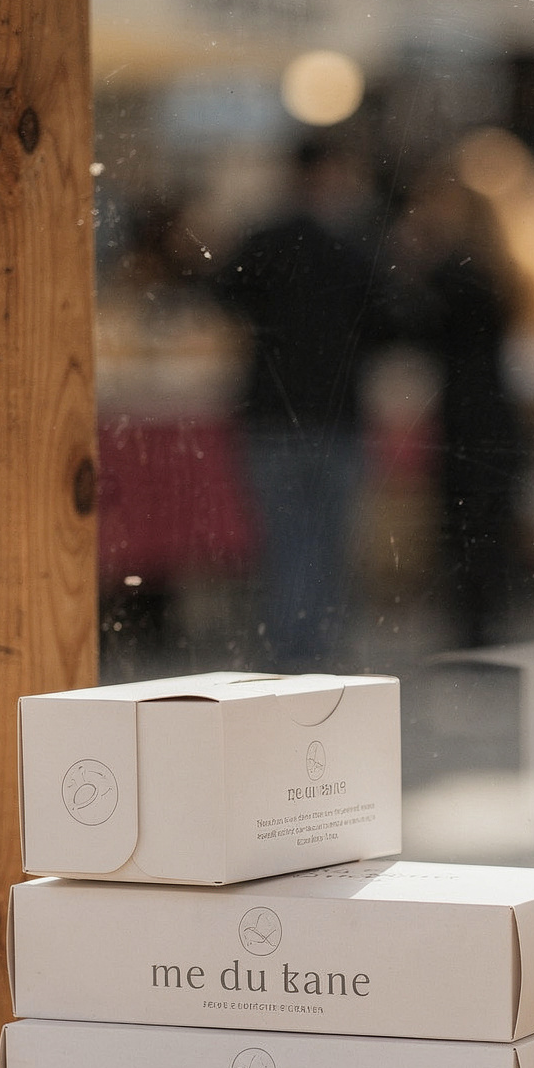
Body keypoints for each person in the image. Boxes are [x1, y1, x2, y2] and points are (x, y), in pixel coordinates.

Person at [214, 139, 393, 670]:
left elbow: (221, 295)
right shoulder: (355, 247)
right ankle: (316, 657)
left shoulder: (264, 240)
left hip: (272, 415)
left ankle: (286, 655)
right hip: (337, 418)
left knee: (284, 544)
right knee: (328, 547)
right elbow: (389, 323)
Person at [395, 161, 531, 651]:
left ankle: (470, 630)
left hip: (464, 414)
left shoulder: (455, 271)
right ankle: (486, 626)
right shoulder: (501, 268)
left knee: (463, 526)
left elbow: (413, 323)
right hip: (497, 410)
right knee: (489, 528)